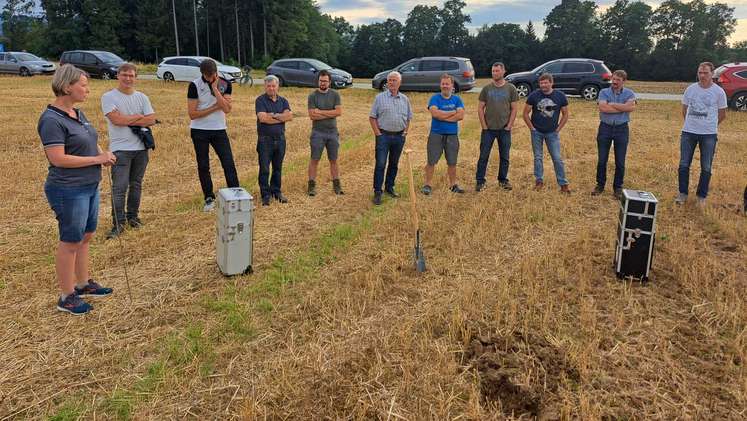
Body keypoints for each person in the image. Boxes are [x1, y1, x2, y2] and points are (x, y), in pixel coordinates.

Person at [38, 64, 116, 315]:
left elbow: (90, 141)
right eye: (83, 85)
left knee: (85, 236)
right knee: (70, 240)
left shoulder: (78, 114)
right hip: (68, 189)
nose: (87, 90)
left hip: (89, 185)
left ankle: (83, 284)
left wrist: (103, 154)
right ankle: (66, 295)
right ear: (66, 86)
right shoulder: (51, 119)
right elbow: (58, 158)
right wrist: (96, 160)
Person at [101, 63, 157, 238]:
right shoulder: (108, 97)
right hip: (120, 149)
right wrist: (140, 117)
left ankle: (133, 217)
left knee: (136, 184)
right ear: (118, 75)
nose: (128, 78)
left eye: (131, 75)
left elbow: (152, 119)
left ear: (136, 77)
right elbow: (116, 120)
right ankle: (118, 223)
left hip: (141, 149)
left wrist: (129, 118)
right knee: (120, 187)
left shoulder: (142, 97)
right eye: (124, 75)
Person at [187, 59, 238, 212]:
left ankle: (236, 194)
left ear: (216, 72)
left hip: (219, 129)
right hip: (199, 130)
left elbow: (227, 109)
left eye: (213, 75)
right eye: (208, 76)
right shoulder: (194, 85)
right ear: (202, 73)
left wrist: (215, 90)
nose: (210, 78)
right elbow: (193, 114)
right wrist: (215, 107)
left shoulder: (225, 84)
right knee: (203, 165)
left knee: (228, 162)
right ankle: (209, 198)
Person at [676, 62, 727, 206]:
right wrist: (692, 124)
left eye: (706, 73)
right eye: (700, 73)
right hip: (688, 133)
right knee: (684, 164)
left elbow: (722, 114)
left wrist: (710, 126)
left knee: (706, 167)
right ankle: (682, 193)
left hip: (709, 135)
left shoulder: (718, 92)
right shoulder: (690, 89)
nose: (702, 75)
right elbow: (684, 109)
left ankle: (701, 196)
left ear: (712, 74)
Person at [369, 71, 413, 205]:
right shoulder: (379, 98)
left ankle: (389, 187)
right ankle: (378, 191)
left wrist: (405, 132)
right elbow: (372, 117)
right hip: (383, 136)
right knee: (381, 164)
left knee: (394, 164)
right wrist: (378, 133)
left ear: (400, 83)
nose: (392, 83)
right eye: (390, 80)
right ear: (387, 82)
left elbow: (409, 118)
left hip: (399, 137)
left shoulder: (405, 99)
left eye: (394, 80)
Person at [522, 73, 571, 194]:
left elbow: (565, 114)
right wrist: (532, 128)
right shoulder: (534, 95)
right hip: (537, 132)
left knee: (557, 158)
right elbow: (525, 113)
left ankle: (563, 183)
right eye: (541, 83)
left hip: (552, 133)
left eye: (546, 82)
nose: (543, 85)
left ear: (551, 83)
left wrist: (558, 129)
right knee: (538, 157)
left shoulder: (560, 96)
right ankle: (539, 181)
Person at [475, 62, 520, 192]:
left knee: (505, 156)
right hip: (488, 130)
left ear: (503, 71)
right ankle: (480, 181)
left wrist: (509, 125)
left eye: (497, 71)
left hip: (504, 129)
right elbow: (480, 108)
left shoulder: (510, 88)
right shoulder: (487, 89)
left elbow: (514, 109)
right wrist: (484, 126)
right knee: (483, 156)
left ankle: (502, 180)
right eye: (493, 71)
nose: (494, 73)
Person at [592, 70, 636, 199]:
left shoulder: (630, 93)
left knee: (620, 161)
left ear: (624, 81)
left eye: (618, 80)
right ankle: (600, 185)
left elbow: (631, 108)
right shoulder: (603, 92)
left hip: (622, 129)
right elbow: (603, 108)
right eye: (614, 79)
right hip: (605, 128)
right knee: (602, 160)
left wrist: (612, 104)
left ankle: (617, 188)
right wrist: (622, 106)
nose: (615, 82)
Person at [422, 74, 465, 195]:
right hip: (436, 134)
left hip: (452, 135)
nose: (445, 86)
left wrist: (443, 116)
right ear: (440, 85)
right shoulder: (434, 98)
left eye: (447, 84)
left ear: (452, 85)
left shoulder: (457, 99)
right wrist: (452, 112)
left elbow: (461, 115)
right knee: (431, 161)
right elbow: (435, 114)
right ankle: (428, 184)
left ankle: (452, 185)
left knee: (452, 162)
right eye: (443, 84)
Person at [255, 75, 293, 206]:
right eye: (268, 86)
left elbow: (289, 116)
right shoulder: (260, 100)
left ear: (278, 87)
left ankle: (276, 191)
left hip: (281, 139)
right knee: (264, 168)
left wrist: (273, 115)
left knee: (278, 168)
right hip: (265, 141)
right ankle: (265, 194)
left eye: (273, 86)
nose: (271, 88)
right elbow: (263, 118)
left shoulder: (283, 101)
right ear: (265, 87)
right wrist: (280, 117)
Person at [307, 69, 344, 196]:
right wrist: (329, 113)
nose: (323, 83)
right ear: (318, 81)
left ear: (329, 82)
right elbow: (312, 116)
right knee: (314, 159)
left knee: (333, 159)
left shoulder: (335, 95)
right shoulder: (312, 96)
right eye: (321, 81)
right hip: (317, 132)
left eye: (325, 81)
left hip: (332, 132)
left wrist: (320, 112)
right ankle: (311, 185)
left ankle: (337, 185)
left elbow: (338, 112)